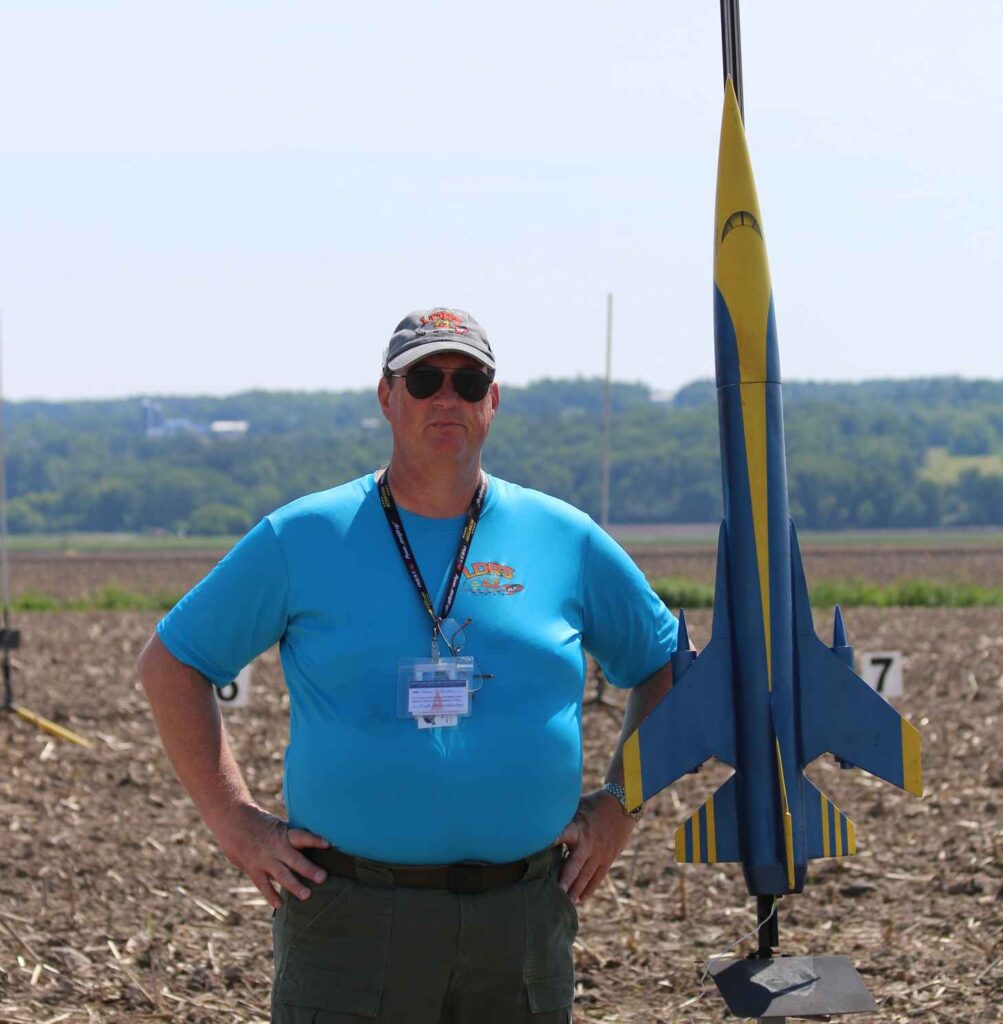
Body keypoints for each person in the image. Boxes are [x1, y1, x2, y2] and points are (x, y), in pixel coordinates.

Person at [139, 307, 678, 1024]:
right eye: (424, 379)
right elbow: (172, 664)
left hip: (520, 920)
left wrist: (620, 806)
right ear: (386, 397)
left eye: (468, 381)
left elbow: (665, 667)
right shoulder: (302, 536)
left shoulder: (565, 537)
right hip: (349, 921)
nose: (447, 397)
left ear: (493, 399)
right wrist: (235, 823)